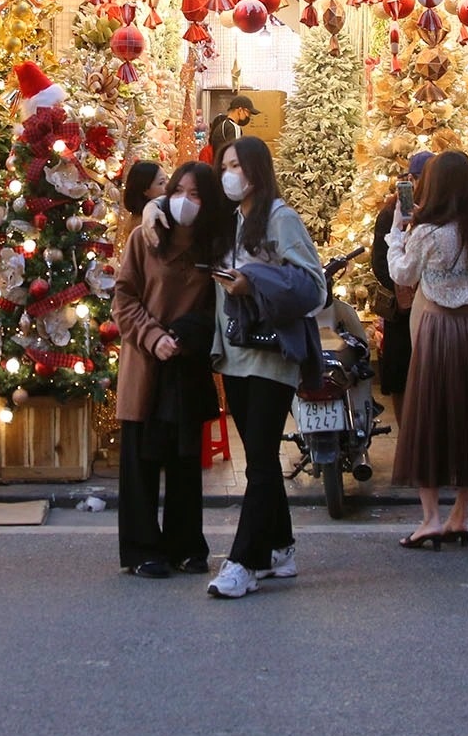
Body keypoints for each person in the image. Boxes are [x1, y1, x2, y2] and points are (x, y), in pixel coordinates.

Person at [206, 136, 324, 599]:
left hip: (271, 355)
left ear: (257, 169)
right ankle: (279, 548)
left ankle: (244, 561)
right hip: (237, 353)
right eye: (224, 165)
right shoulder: (235, 220)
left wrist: (251, 280)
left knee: (259, 461)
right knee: (259, 458)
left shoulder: (280, 218)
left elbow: (313, 285)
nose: (229, 174)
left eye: (236, 165)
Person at [112, 161, 231, 578]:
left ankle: (186, 545)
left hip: (187, 363)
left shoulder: (215, 244)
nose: (185, 201)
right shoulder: (144, 239)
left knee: (185, 463)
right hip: (145, 363)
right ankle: (143, 548)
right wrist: (152, 336)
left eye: (196, 194)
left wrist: (186, 338)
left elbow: (218, 304)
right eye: (178, 190)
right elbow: (123, 299)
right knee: (140, 463)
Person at [387, 151, 468, 547]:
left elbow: (402, 273)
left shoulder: (427, 232)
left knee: (429, 420)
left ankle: (431, 518)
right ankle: (460, 516)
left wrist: (396, 233)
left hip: (437, 329)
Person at [371, 151, 432, 422]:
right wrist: (405, 287)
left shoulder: (437, 212)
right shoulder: (391, 212)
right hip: (401, 310)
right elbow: (380, 262)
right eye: (418, 179)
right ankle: (406, 427)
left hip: (430, 307)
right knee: (399, 373)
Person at [118, 160, 167, 247]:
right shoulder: (142, 225)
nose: (168, 186)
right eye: (161, 183)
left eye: (167, 179)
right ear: (145, 191)